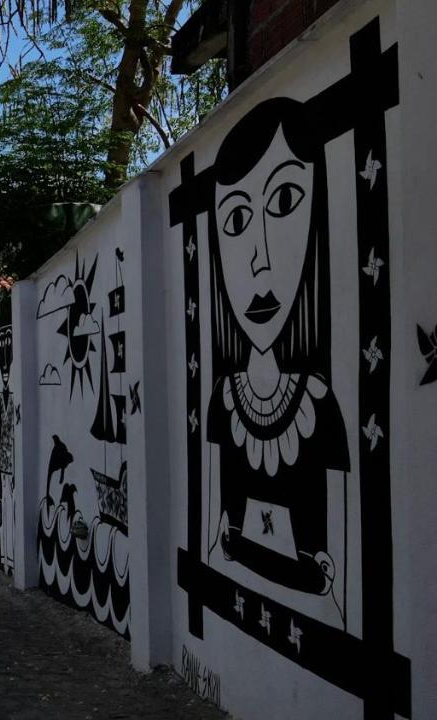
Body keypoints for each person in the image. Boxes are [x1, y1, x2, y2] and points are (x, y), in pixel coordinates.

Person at [205, 97, 348, 601]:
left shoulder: (321, 410)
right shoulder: (225, 401)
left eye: (285, 202)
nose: (260, 260)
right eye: (237, 220)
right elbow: (218, 531)